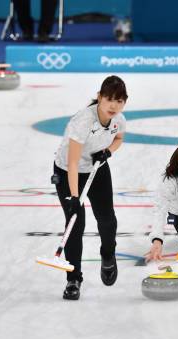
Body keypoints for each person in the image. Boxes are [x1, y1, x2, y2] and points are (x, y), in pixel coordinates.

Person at [52, 76, 127, 300]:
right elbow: (73, 162)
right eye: (109, 99)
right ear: (100, 98)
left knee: (106, 218)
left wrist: (108, 152)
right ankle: (73, 279)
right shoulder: (83, 121)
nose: (114, 105)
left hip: (96, 167)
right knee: (76, 223)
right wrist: (75, 198)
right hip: (68, 172)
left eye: (119, 101)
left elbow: (119, 138)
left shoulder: (118, 120)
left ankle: (108, 255)